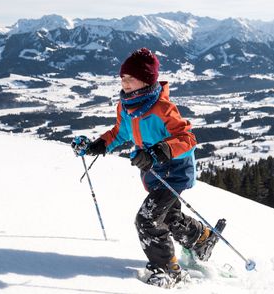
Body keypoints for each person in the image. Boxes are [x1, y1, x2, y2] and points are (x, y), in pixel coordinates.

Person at [75, 47, 218, 288]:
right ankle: (201, 238)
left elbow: (187, 138)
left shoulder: (162, 108)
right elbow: (120, 133)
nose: (125, 82)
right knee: (169, 217)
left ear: (146, 80)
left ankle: (167, 270)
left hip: (174, 171)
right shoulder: (126, 107)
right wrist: (98, 145)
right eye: (122, 78)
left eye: (131, 78)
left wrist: (158, 151)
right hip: (153, 173)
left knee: (148, 220)